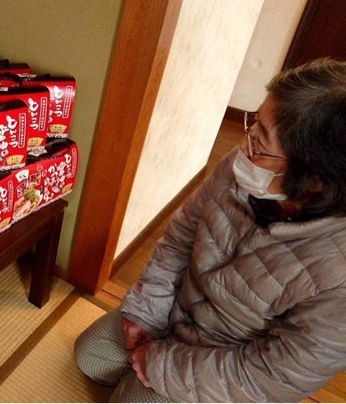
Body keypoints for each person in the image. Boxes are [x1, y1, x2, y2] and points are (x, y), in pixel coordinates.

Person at [75, 58, 346, 402]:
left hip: (226, 360)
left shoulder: (338, 274)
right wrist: (148, 310)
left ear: (316, 179)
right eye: (253, 125)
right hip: (178, 307)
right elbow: (180, 237)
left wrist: (161, 365)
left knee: (129, 397)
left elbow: (273, 376)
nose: (244, 147)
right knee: (91, 356)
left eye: (260, 142)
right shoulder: (242, 166)